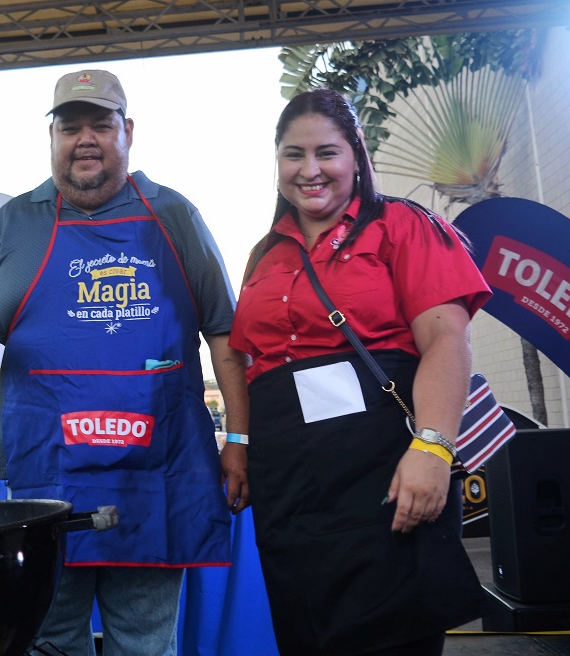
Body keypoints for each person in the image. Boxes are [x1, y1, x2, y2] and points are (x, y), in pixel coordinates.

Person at [0, 69, 249, 656]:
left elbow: (225, 332)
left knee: (143, 641)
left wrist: (238, 438)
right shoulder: (15, 221)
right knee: (50, 639)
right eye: (70, 126)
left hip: (154, 470)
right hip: (45, 471)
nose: (85, 139)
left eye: (100, 125)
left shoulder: (175, 215)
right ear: (52, 138)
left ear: (127, 131)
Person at [224, 88, 492, 656]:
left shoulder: (400, 225)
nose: (310, 170)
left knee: (391, 637)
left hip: (383, 474)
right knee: (306, 637)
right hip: (290, 488)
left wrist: (434, 448)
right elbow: (251, 363)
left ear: (356, 154)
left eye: (327, 152)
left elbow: (448, 339)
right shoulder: (264, 255)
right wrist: (240, 442)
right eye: (293, 155)